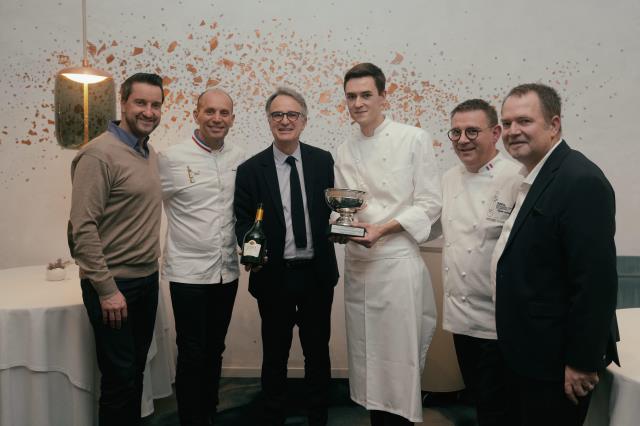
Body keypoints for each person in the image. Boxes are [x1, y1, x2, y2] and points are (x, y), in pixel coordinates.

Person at [491, 83, 619, 425]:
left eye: (524, 121)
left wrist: (581, 361)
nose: (513, 131)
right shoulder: (534, 177)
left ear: (554, 124)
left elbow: (595, 283)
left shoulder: (579, 181)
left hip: (557, 361)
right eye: (506, 123)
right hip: (531, 353)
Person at [333, 62, 441, 425]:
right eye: (351, 96)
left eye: (366, 95)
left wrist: (383, 229)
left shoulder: (413, 138)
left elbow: (429, 203)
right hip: (359, 264)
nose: (358, 102)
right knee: (366, 359)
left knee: (397, 360)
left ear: (383, 96)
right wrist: (340, 225)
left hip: (395, 262)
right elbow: (345, 207)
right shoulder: (344, 148)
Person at [234, 87, 339, 426]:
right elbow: (242, 220)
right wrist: (249, 249)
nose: (284, 120)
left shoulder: (324, 161)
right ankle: (273, 416)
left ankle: (318, 416)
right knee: (275, 355)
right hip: (273, 276)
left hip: (316, 274)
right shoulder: (250, 169)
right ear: (268, 120)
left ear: (304, 121)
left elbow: (335, 213)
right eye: (277, 114)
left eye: (292, 114)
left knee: (317, 353)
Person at [68, 72, 164, 425]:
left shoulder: (148, 152)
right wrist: (107, 290)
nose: (148, 111)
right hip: (114, 286)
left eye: (155, 105)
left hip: (145, 279)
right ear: (123, 103)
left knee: (135, 373)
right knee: (119, 379)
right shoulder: (98, 155)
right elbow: (83, 227)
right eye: (141, 102)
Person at [157, 88, 245, 425]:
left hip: (227, 271)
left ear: (232, 119)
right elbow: (146, 202)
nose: (217, 118)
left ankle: (209, 410)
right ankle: (191, 418)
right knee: (192, 351)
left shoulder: (239, 157)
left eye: (224, 113)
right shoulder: (170, 158)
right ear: (196, 114)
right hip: (187, 273)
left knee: (215, 348)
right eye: (210, 111)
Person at [440, 99, 522, 425]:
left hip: (498, 321)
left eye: (472, 131)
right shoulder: (448, 178)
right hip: (461, 317)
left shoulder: (517, 176)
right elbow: (430, 224)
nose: (462, 140)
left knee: (498, 409)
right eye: (456, 132)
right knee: (479, 399)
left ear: (496, 133)